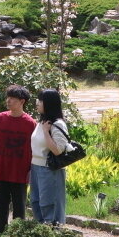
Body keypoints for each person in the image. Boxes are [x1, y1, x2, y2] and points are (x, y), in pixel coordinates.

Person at [0, 85, 37, 235]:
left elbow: (34, 149)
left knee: (19, 206)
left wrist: (31, 170)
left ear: (22, 101)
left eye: (12, 98)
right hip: (1, 169)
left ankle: (17, 234)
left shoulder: (30, 123)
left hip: (20, 172)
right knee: (0, 203)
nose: (8, 100)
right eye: (8, 97)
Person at [30, 88, 69, 225]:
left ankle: (53, 231)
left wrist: (46, 132)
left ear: (49, 103)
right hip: (35, 167)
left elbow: (58, 150)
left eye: (41, 100)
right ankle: (41, 232)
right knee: (36, 201)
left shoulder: (57, 124)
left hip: (49, 169)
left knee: (49, 203)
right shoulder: (42, 122)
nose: (37, 103)